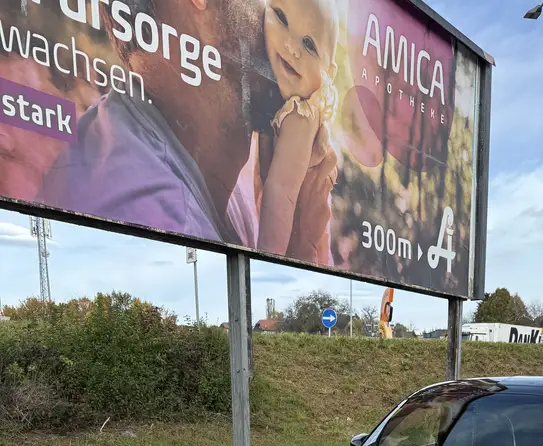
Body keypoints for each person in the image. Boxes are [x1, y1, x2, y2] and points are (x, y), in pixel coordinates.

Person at [38, 0, 337, 259]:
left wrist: (302, 242)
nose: (289, 46)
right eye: (280, 15)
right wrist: (302, 252)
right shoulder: (148, 212)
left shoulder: (210, 171)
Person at [257, 0, 340, 263]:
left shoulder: (300, 114)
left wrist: (266, 257)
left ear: (329, 72)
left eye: (309, 44)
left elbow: (281, 192)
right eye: (281, 17)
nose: (292, 47)